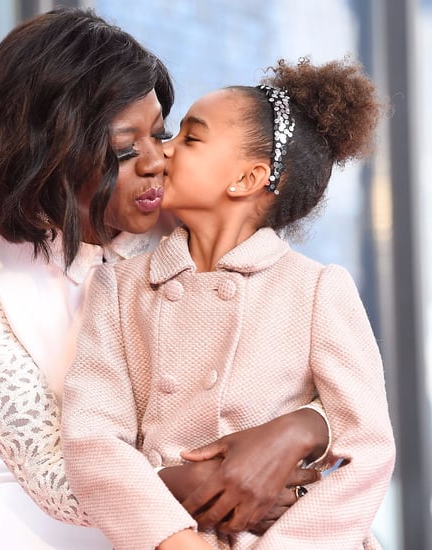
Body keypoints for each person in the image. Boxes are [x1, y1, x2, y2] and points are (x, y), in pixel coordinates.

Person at [0, 9, 330, 549]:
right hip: (46, 521)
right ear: (47, 152)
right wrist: (223, 481)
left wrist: (295, 432)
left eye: (162, 134)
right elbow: (52, 479)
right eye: (124, 149)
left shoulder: (193, 221)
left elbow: (313, 364)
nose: (156, 162)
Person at [61, 57, 396, 549]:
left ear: (247, 178)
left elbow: (365, 446)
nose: (161, 153)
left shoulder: (316, 288)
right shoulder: (119, 288)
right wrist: (171, 536)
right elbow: (92, 440)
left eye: (189, 139)